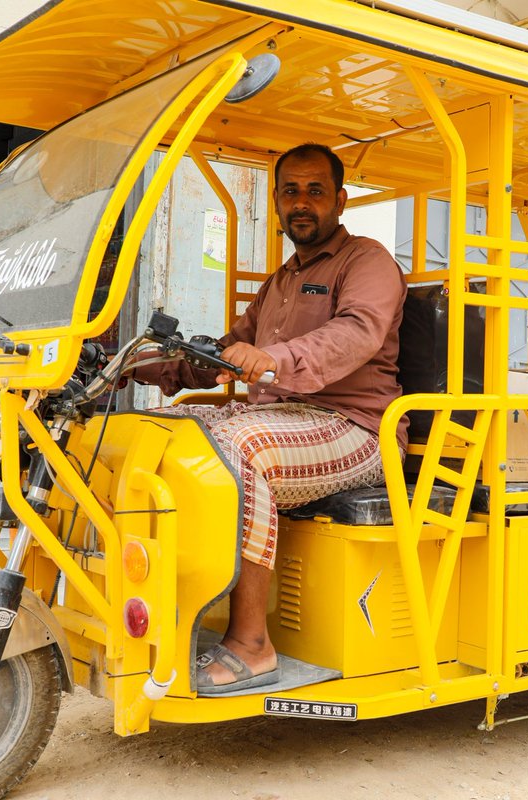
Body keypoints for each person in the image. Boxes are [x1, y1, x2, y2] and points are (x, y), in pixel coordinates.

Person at [134, 143, 408, 694]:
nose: (301, 202)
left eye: (315, 191)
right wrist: (140, 368)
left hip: (358, 428)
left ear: (340, 200)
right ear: (278, 202)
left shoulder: (368, 261)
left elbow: (357, 331)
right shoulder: (280, 282)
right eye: (290, 191)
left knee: (239, 451)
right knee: (166, 437)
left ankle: (252, 644)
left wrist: (276, 358)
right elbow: (226, 352)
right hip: (286, 418)